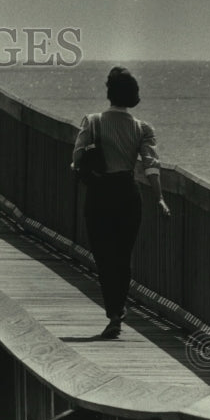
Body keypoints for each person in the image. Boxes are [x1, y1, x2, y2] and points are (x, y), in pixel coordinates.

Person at [72, 67, 171, 339]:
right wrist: (160, 197)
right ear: (133, 95)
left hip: (100, 194)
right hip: (128, 193)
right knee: (123, 255)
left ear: (109, 93)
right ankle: (118, 308)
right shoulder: (142, 128)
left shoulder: (92, 122)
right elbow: (151, 165)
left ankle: (114, 313)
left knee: (104, 255)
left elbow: (77, 157)